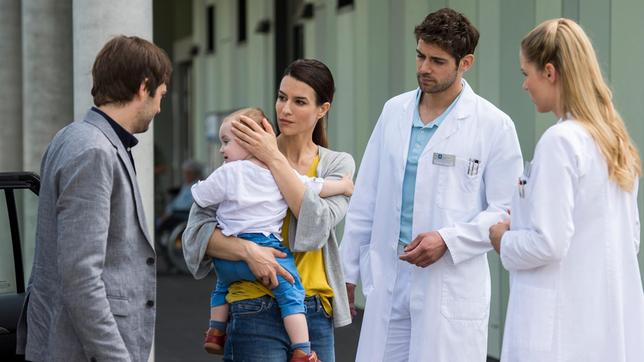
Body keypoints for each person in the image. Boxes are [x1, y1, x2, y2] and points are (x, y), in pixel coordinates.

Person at [340, 8, 523, 362]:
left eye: (437, 61)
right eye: (421, 55)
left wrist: (448, 240)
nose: (424, 68)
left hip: (448, 282)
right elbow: (367, 195)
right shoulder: (394, 112)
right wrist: (347, 271)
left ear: (465, 63)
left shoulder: (493, 125)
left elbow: (505, 209)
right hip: (391, 277)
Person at [489, 18, 644, 361]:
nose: (524, 85)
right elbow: (628, 238)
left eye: (525, 73)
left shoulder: (561, 141)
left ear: (549, 72)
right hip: (603, 326)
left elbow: (549, 243)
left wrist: (502, 238)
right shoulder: (614, 140)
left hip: (560, 332)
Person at [182, 59, 354, 362]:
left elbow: (314, 230)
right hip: (253, 304)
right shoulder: (238, 160)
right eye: (281, 97)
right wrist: (249, 251)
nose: (285, 110)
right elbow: (195, 234)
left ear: (322, 109)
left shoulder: (337, 167)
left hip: (312, 310)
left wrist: (273, 159)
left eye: (299, 102)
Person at [15, 35, 171, 362]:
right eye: (161, 94)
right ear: (144, 86)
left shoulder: (71, 136)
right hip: (79, 351)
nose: (159, 107)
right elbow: (81, 275)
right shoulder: (94, 151)